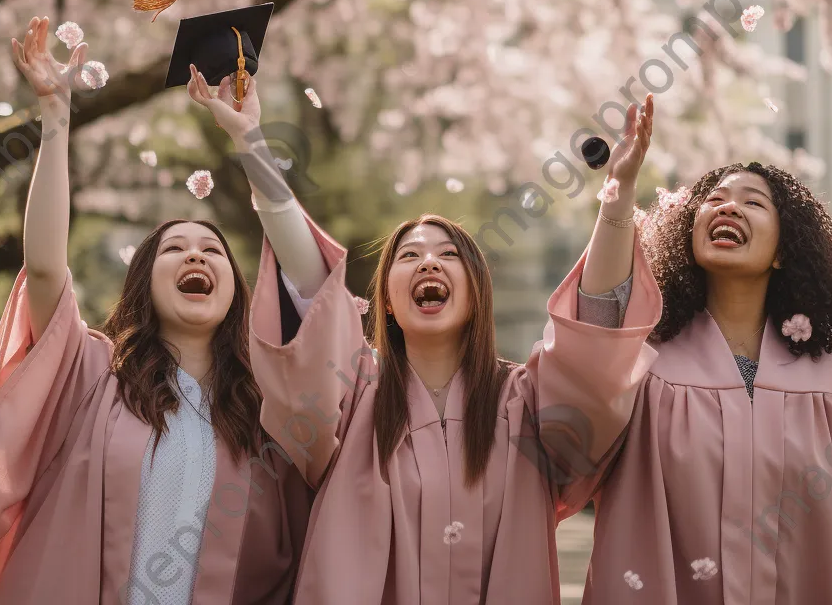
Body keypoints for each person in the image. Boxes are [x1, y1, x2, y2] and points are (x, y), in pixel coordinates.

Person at [194, 61, 664, 604]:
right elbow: (312, 289)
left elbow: (594, 338)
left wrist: (617, 199)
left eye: (447, 256)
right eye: (409, 256)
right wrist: (251, 143)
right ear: (387, 302)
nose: (429, 265)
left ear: (476, 291)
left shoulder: (525, 406)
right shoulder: (350, 402)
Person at [0, 17, 313, 605]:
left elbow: (308, 275)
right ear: (143, 283)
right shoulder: (95, 373)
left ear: (236, 287)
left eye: (211, 251)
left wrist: (250, 139)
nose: (194, 256)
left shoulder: (267, 403)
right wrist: (55, 119)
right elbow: (48, 268)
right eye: (173, 249)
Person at [580, 162, 832, 603]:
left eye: (753, 202)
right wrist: (620, 190)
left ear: (783, 249)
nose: (729, 207)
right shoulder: (643, 355)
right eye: (714, 200)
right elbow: (590, 326)